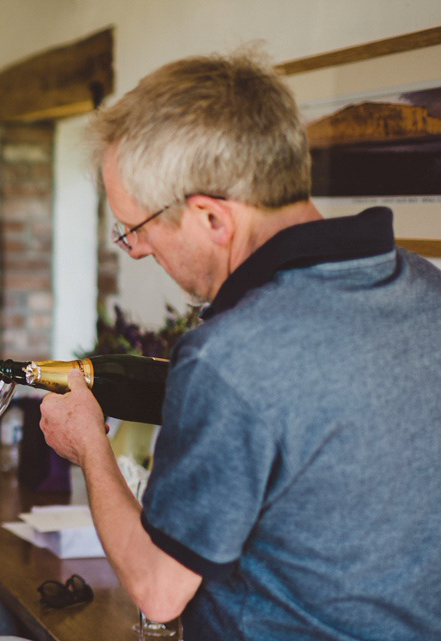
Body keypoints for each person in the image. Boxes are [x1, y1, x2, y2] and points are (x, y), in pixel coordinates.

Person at [38, 51, 441, 640]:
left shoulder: (231, 355)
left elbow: (157, 588)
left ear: (210, 218)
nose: (140, 250)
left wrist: (88, 446)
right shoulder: (427, 289)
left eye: (137, 229)